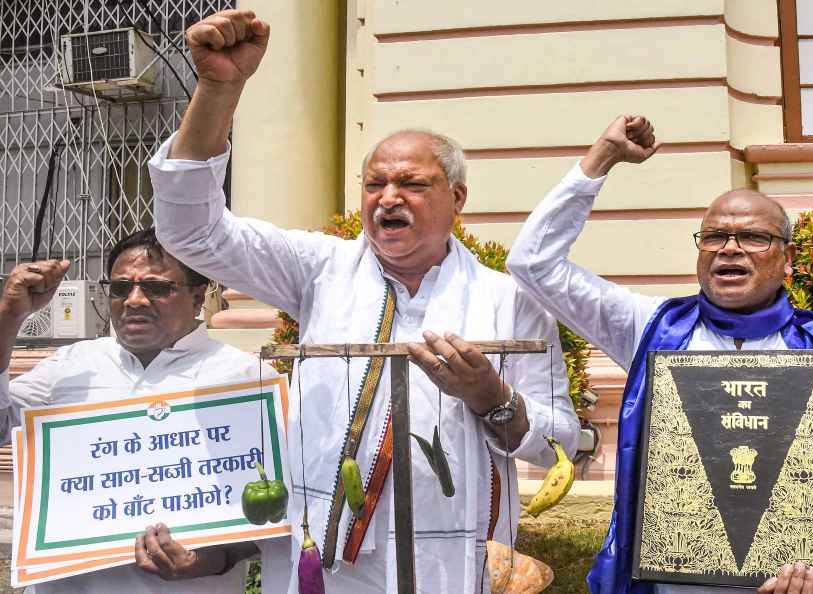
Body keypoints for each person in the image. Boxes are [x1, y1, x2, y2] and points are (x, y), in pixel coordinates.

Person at [147, 9, 578, 593]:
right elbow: (193, 231)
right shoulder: (320, 269)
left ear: (457, 198)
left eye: (411, 184)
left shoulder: (510, 300)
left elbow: (561, 441)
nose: (387, 197)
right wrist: (219, 90)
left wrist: (491, 397)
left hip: (457, 559)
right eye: (374, 183)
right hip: (328, 557)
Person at [506, 115, 813, 594]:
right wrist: (601, 159)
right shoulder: (654, 328)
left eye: (754, 237)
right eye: (714, 236)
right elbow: (531, 263)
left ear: (788, 258)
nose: (730, 248)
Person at [0, 228, 291, 594]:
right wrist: (9, 317)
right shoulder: (72, 365)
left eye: (156, 288)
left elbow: (279, 512)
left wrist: (213, 559)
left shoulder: (244, 379)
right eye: (121, 288)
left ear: (198, 296)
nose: (134, 300)